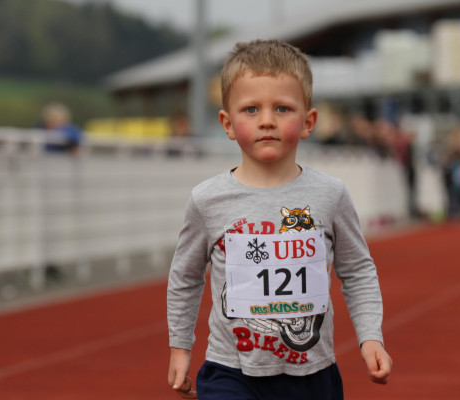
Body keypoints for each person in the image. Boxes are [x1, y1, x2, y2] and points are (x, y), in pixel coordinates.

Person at [167, 40, 392, 400]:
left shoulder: (331, 195)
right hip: (230, 371)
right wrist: (180, 347)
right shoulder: (207, 200)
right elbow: (185, 276)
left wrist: (370, 337)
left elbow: (358, 271)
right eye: (251, 109)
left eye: (283, 108)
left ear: (308, 122)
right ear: (227, 123)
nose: (267, 120)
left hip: (312, 373)